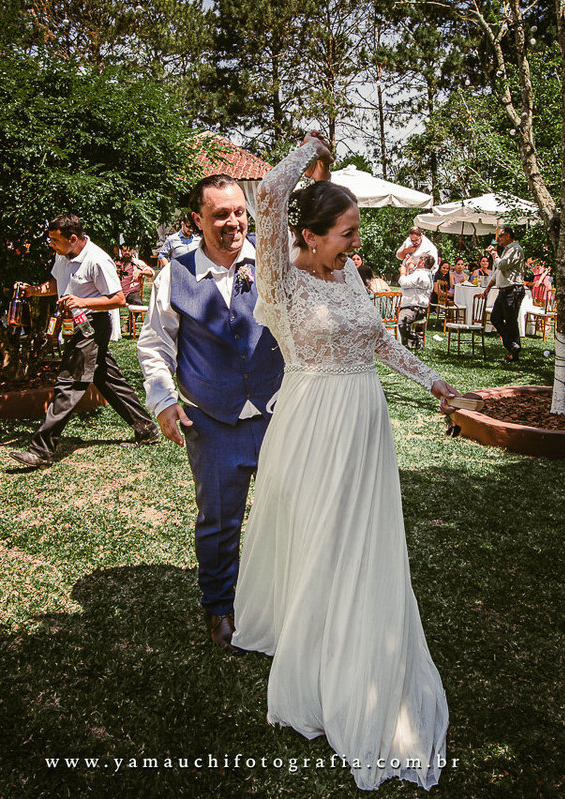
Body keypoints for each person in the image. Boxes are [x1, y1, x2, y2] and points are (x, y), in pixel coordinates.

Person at [231, 133, 457, 791]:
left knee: (360, 541)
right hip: (313, 422)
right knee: (321, 540)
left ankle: (356, 633)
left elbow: (380, 342)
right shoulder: (281, 280)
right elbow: (270, 193)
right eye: (346, 232)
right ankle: (318, 650)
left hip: (365, 424)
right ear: (308, 233)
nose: (356, 242)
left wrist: (434, 381)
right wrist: (308, 149)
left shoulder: (351, 274)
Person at [137, 174, 285, 651]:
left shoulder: (270, 262)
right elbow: (155, 344)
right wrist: (163, 401)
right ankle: (219, 607)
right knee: (219, 521)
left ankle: (278, 602)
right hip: (212, 421)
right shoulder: (173, 276)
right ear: (197, 220)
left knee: (285, 513)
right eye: (220, 214)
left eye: (239, 211)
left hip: (277, 413)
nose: (233, 222)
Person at [8, 215, 159, 468]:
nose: (52, 245)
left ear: (73, 238)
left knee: (69, 382)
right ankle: (146, 429)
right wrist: (34, 290)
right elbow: (57, 284)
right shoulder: (62, 254)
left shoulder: (97, 260)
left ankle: (41, 451)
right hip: (75, 325)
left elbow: (119, 299)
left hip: (93, 325)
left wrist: (82, 302)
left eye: (56, 240)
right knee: (106, 378)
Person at [477, 226, 527, 361]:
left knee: (511, 321)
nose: (498, 238)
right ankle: (512, 345)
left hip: (513, 290)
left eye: (500, 236)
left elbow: (502, 265)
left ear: (508, 236)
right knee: (495, 318)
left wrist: (494, 254)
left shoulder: (516, 249)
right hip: (503, 291)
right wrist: (487, 288)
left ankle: (514, 350)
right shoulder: (507, 250)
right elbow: (498, 273)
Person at [399, 253, 434, 348]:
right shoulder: (424, 273)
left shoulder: (420, 274)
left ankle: (417, 339)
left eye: (419, 260)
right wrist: (406, 266)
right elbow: (409, 280)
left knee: (401, 321)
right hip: (417, 307)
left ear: (422, 262)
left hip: (414, 308)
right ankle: (408, 343)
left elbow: (404, 283)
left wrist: (402, 273)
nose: (417, 261)